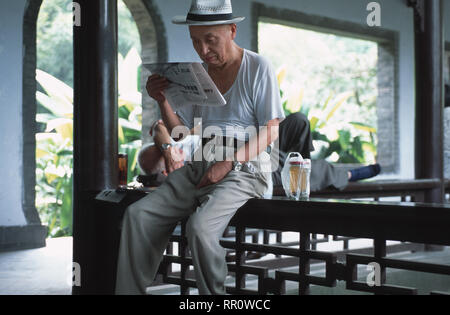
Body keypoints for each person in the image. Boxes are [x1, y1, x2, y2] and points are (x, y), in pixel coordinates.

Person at [115, 0, 285, 295]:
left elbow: (271, 129)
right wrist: (162, 100)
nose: (203, 50)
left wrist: (229, 162)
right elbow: (180, 134)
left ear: (232, 30)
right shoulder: (198, 74)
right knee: (137, 216)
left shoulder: (257, 66)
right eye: (196, 41)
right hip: (201, 161)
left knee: (200, 228)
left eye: (210, 40)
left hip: (245, 166)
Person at [138, 112, 382, 194]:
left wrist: (168, 149)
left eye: (162, 150)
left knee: (298, 121)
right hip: (243, 161)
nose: (174, 153)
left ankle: (298, 175)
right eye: (162, 161)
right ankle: (344, 175)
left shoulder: (177, 142)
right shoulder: (183, 170)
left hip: (254, 141)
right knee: (288, 166)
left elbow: (159, 127)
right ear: (163, 171)